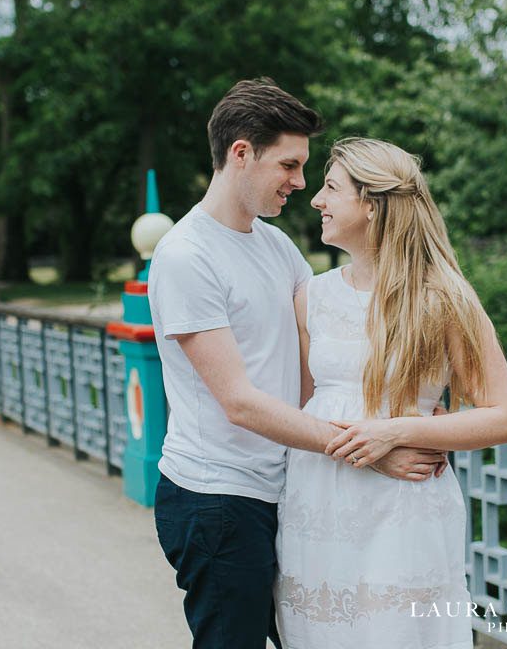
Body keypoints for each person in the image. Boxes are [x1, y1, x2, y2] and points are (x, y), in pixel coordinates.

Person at [148, 80, 446, 649]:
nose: (301, 182)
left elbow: (329, 352)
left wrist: (420, 399)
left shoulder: (276, 246)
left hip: (288, 487)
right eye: (289, 164)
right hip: (219, 499)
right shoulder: (187, 256)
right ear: (241, 153)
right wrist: (368, 451)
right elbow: (238, 401)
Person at [274, 138, 507, 648]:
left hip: (403, 509)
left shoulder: (444, 298)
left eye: (331, 188)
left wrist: (398, 430)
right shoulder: (311, 298)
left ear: (371, 205)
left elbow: (504, 417)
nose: (317, 199)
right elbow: (302, 409)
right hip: (318, 500)